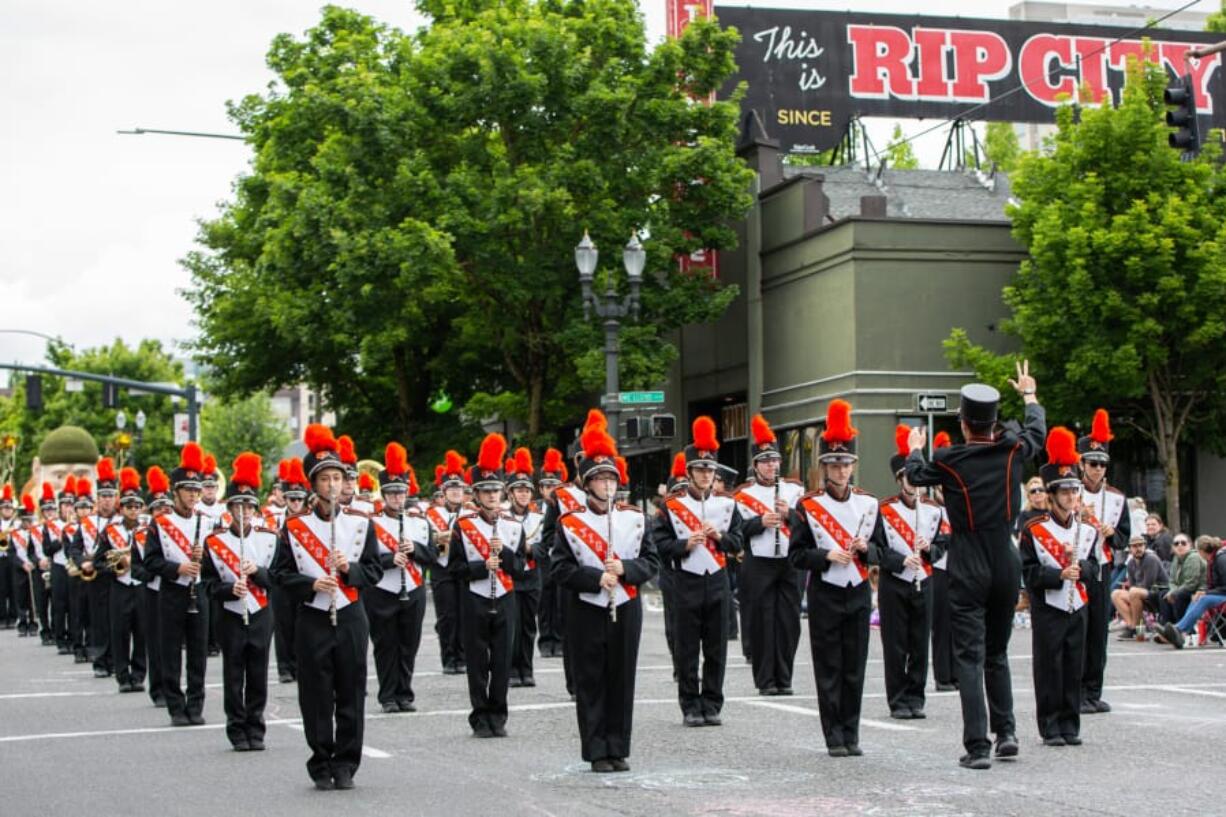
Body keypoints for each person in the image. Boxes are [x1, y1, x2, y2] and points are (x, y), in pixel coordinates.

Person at [905, 361, 1046, 770]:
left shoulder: (951, 458)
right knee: (996, 652)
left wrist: (916, 445)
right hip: (1005, 555)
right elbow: (1035, 431)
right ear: (994, 422)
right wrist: (1029, 394)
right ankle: (1007, 733)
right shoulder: (1012, 451)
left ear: (964, 424)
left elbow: (915, 475)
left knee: (968, 655)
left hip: (967, 557)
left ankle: (978, 746)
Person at [272, 424, 381, 790]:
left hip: (350, 614)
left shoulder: (362, 525)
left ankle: (347, 761)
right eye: (326, 479)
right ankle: (321, 759)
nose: (333, 485)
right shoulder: (293, 526)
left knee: (351, 689)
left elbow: (375, 571)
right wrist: (311, 584)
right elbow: (279, 575)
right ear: (313, 484)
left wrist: (350, 569)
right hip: (313, 616)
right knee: (316, 694)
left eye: (338, 477)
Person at [552, 418, 658, 772]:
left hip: (626, 605)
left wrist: (626, 569)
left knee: (621, 677)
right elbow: (560, 570)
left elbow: (651, 562)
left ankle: (618, 747)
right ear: (586, 483)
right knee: (591, 679)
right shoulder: (569, 522)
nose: (607, 484)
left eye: (611, 478)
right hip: (586, 607)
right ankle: (597, 750)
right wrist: (596, 577)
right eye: (599, 478)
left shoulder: (635, 518)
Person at [788, 400, 881, 756]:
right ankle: (833, 736)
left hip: (857, 590)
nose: (840, 471)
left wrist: (865, 550)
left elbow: (882, 551)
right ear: (824, 468)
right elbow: (796, 556)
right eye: (833, 464)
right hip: (826, 591)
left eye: (845, 464)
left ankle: (852, 733)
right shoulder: (808, 506)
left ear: (853, 466)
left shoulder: (869, 504)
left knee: (855, 665)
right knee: (829, 666)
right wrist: (826, 555)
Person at [652, 417, 745, 728]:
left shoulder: (728, 507)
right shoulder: (671, 506)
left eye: (710, 471)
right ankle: (690, 704)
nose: (706, 475)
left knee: (717, 646)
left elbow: (739, 541)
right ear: (690, 472)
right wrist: (684, 544)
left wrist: (719, 537)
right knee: (688, 647)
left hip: (717, 580)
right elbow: (658, 544)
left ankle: (713, 702)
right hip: (685, 580)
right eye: (700, 470)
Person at [1018, 428, 1097, 747]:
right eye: (1063, 492)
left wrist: (1082, 570)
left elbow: (1095, 568)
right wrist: (1058, 574)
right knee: (1049, 664)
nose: (1070, 497)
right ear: (1051, 496)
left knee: (1074, 664)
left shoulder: (1086, 531)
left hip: (1078, 603)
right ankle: (1050, 725)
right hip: (1049, 605)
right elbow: (1027, 572)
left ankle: (1070, 723)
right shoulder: (1034, 530)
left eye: (1073, 492)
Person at [448, 432, 526, 738]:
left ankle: (499, 715)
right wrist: (481, 567)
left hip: (505, 597)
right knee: (478, 661)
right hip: (475, 597)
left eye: (496, 491)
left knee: (503, 661)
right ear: (476, 495)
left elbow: (521, 568)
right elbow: (453, 569)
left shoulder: (513, 526)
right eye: (486, 491)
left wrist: (503, 555)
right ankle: (480, 715)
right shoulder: (463, 526)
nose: (493, 496)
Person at [201, 452, 279, 751]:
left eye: (249, 505)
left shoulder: (270, 538)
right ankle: (236, 728)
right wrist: (228, 589)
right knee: (233, 673)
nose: (244, 510)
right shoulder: (214, 541)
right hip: (231, 613)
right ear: (230, 508)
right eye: (238, 505)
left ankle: (256, 727)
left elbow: (280, 578)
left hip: (260, 612)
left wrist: (257, 573)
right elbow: (207, 584)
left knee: (258, 673)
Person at [873, 424, 946, 720]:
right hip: (895, 582)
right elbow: (875, 549)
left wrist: (928, 548)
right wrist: (900, 561)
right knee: (895, 644)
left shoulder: (933, 510)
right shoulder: (884, 509)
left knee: (919, 643)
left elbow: (943, 545)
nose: (913, 484)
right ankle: (898, 699)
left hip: (924, 580)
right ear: (899, 479)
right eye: (907, 478)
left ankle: (916, 696)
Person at [734, 414, 804, 697]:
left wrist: (789, 516)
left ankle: (784, 677)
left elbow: (809, 524)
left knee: (789, 620)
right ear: (756, 466)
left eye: (774, 460)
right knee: (762, 621)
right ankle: (765, 680)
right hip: (759, 561)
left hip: (788, 560)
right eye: (765, 461)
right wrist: (759, 522)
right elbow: (736, 531)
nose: (771, 466)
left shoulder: (795, 490)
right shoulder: (742, 495)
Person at [143, 443, 211, 726]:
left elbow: (220, 564)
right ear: (176, 492)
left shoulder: (208, 522)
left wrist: (203, 559)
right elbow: (150, 561)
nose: (194, 496)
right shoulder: (160, 523)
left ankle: (195, 706)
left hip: (200, 593)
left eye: (197, 491)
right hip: (172, 592)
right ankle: (175, 706)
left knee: (198, 653)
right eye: (188, 490)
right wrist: (178, 568)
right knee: (170, 651)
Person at [366, 442, 435, 713]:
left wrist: (414, 550)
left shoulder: (420, 522)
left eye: (401, 493)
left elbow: (432, 556)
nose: (397, 498)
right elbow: (366, 561)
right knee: (386, 645)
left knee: (409, 644)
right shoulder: (372, 523)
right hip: (382, 590)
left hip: (414, 587)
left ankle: (404, 692)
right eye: (392, 494)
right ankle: (387, 695)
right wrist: (389, 560)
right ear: (383, 495)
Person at [1076, 409, 1129, 715]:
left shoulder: (1117, 498)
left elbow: (1125, 536)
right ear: (1082, 464)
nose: (1097, 469)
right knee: (1079, 630)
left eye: (1102, 465)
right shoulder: (1070, 492)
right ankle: (1077, 690)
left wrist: (1111, 534)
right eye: (1092, 463)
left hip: (1103, 564)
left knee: (1098, 630)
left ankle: (1094, 691)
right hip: (1078, 567)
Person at [92, 468, 147, 693]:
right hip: (120, 587)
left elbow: (152, 561)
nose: (133, 510)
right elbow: (97, 563)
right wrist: (115, 568)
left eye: (136, 506)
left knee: (142, 632)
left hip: (141, 587)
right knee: (120, 632)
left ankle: (139, 675)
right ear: (121, 508)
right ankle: (123, 676)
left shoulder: (148, 530)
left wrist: (134, 563)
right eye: (128, 507)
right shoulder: (109, 532)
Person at [70, 457, 121, 677]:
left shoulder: (122, 521)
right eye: (103, 496)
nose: (107, 501)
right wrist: (84, 562)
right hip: (96, 576)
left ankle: (118, 661)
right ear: (97, 499)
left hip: (119, 576)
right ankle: (100, 661)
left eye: (111, 496)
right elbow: (74, 549)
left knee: (118, 621)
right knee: (98, 620)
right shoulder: (87, 523)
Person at [505, 448, 543, 687]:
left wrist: (530, 550)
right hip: (509, 576)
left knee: (529, 626)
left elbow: (547, 547)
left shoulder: (538, 518)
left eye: (527, 490)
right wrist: (521, 548)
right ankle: (510, 670)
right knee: (512, 627)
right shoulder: (502, 517)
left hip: (532, 577)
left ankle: (526, 670)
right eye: (519, 490)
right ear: (510, 494)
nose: (524, 494)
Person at [428, 450, 468, 675]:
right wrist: (436, 537)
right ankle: (448, 658)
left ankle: (462, 656)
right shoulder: (431, 514)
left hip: (462, 568)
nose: (455, 492)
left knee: (464, 614)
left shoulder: (471, 512)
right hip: (441, 568)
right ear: (443, 492)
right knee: (446, 616)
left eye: (458, 489)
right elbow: (423, 541)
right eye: (451, 489)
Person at [271, 457, 309, 683]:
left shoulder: (309, 521)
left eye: (299, 498)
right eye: (291, 498)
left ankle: (301, 663)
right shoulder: (271, 519)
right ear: (284, 498)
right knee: (283, 623)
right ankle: (285, 667)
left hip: (302, 576)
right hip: (279, 577)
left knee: (303, 623)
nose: (295, 502)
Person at [137, 466, 172, 707]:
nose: (162, 511)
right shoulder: (141, 534)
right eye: (158, 508)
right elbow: (137, 568)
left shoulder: (178, 530)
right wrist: (153, 572)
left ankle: (173, 687)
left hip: (174, 591)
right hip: (152, 591)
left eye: (166, 507)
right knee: (155, 642)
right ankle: (158, 688)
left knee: (172, 643)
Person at [1159, 537, 1226, 649]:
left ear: (1201, 551)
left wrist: (1206, 592)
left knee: (1203, 598)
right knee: (1197, 597)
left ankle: (1179, 629)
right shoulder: (1214, 559)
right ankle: (1181, 632)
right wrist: (1203, 592)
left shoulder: (1221, 559)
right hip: (1221, 594)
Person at [928, 431, 956, 692]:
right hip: (939, 568)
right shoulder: (931, 510)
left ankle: (958, 672)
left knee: (960, 623)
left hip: (961, 568)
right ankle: (943, 674)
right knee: (942, 623)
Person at [534, 448, 568, 659]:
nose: (550, 489)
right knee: (544, 600)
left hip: (562, 557)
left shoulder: (567, 506)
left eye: (554, 485)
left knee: (561, 599)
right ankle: (546, 640)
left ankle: (561, 639)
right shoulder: (533, 507)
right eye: (546, 486)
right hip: (542, 557)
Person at [1109, 536, 1167, 639]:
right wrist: (1131, 592)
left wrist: (1132, 592)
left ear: (1145, 546)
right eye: (1134, 546)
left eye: (1140, 545)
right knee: (1115, 594)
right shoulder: (1131, 563)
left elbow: (1148, 584)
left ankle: (1137, 628)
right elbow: (1132, 584)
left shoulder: (1150, 559)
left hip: (1158, 593)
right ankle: (1133, 626)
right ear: (1130, 549)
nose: (1138, 549)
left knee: (1134, 592)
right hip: (1140, 593)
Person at [1158, 534, 1206, 628]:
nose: (1180, 545)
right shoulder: (1176, 559)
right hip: (1184, 590)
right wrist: (1172, 591)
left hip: (1198, 590)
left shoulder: (1193, 557)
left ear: (1190, 545)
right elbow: (1172, 581)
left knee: (1177, 596)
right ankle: (1168, 627)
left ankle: (1181, 629)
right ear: (1173, 547)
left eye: (1183, 543)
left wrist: (1174, 592)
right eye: (1176, 543)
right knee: (1163, 594)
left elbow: (1191, 583)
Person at [0, 485, 17, 629]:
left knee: (13, 587)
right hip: (0, 558)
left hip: (13, 558)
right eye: (5, 508)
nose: (7, 510)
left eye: (9, 508)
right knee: (1, 588)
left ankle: (13, 616)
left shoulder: (16, 523)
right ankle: (1, 617)